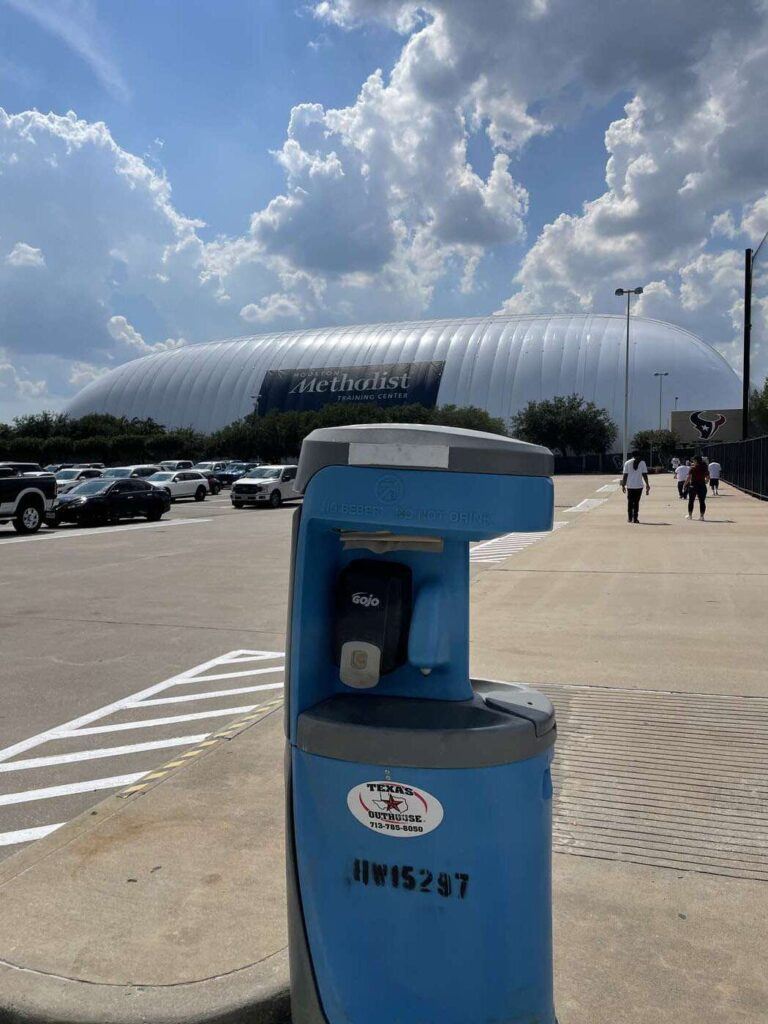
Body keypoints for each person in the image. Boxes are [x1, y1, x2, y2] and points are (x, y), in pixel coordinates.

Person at [621, 452, 650, 523]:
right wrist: (647, 484)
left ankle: (630, 518)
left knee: (630, 502)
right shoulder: (642, 463)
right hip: (638, 486)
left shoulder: (627, 463)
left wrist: (623, 485)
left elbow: (625, 475)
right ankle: (635, 518)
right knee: (636, 502)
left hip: (630, 486)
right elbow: (644, 475)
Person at [685, 455, 709, 520]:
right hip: (702, 486)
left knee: (691, 501)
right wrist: (705, 482)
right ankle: (702, 516)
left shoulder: (692, 468)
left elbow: (688, 478)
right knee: (702, 501)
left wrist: (685, 484)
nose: (692, 462)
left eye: (693, 460)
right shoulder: (704, 468)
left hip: (693, 486)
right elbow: (707, 478)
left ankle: (690, 516)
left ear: (696, 461)